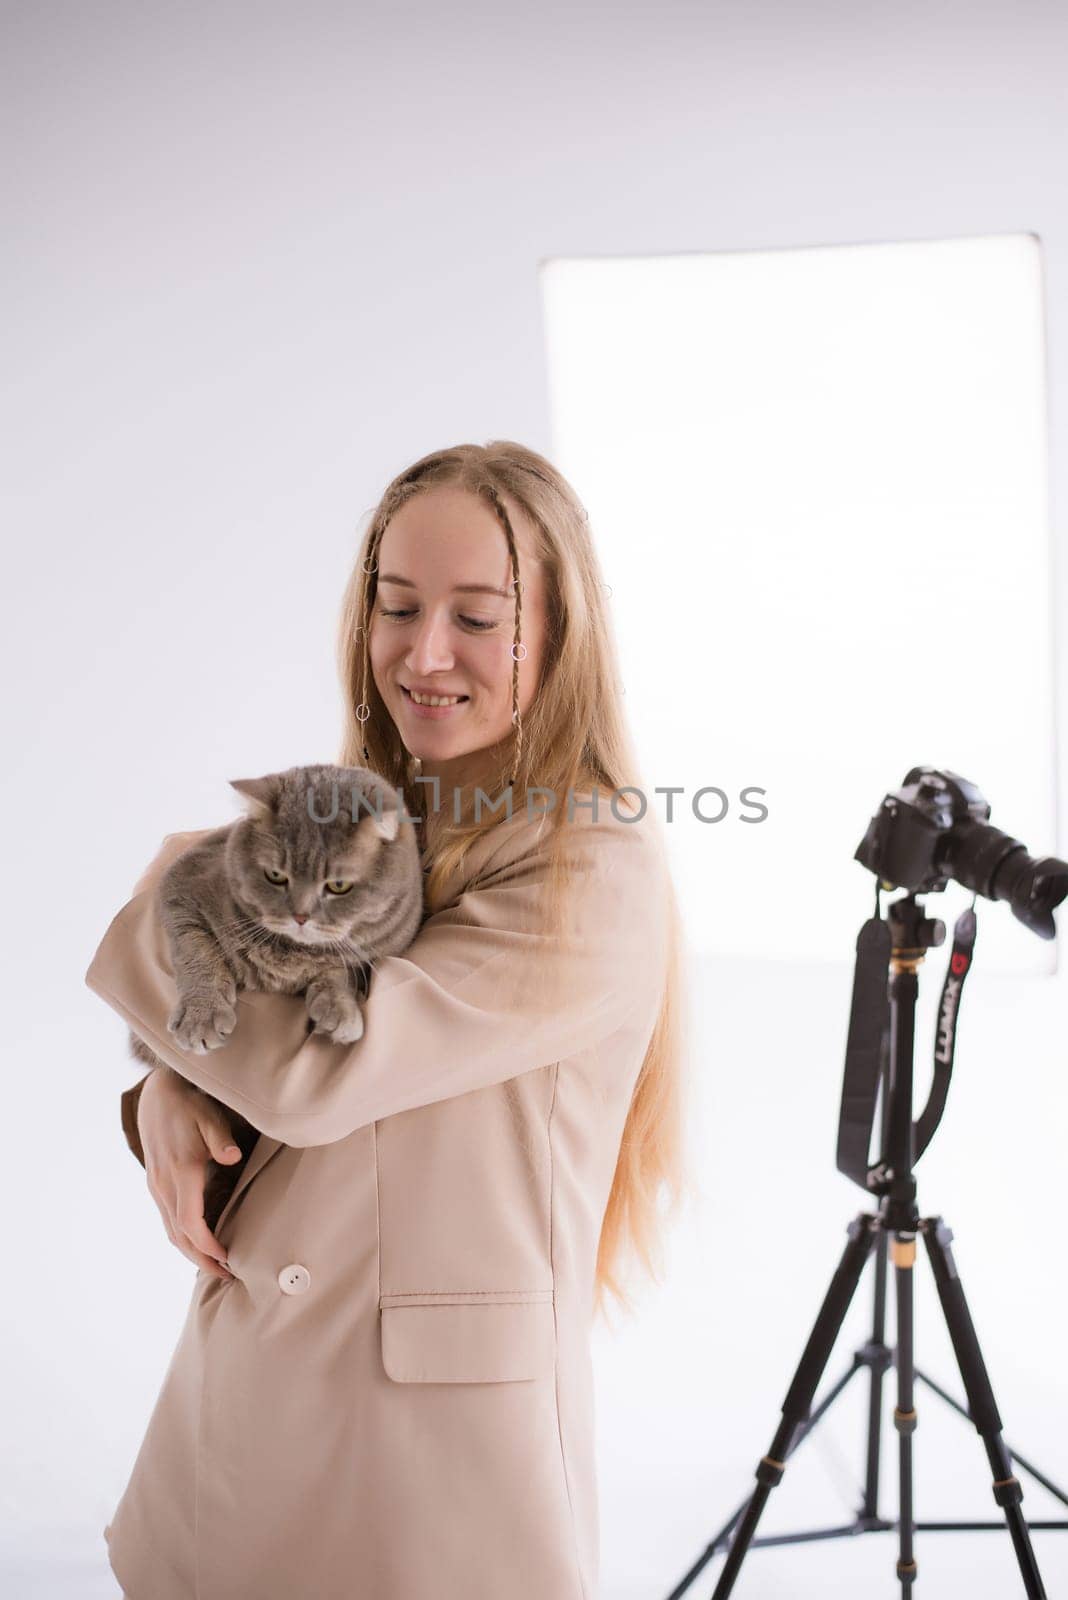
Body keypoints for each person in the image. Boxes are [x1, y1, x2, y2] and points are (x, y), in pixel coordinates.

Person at [85, 441, 690, 1600]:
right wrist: (167, 1087)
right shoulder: (368, 817)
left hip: (438, 1465)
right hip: (251, 1401)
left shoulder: (589, 868)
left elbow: (324, 1074)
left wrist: (173, 874)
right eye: (398, 606)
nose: (424, 654)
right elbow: (261, 1044)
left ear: (557, 634)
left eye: (477, 616)